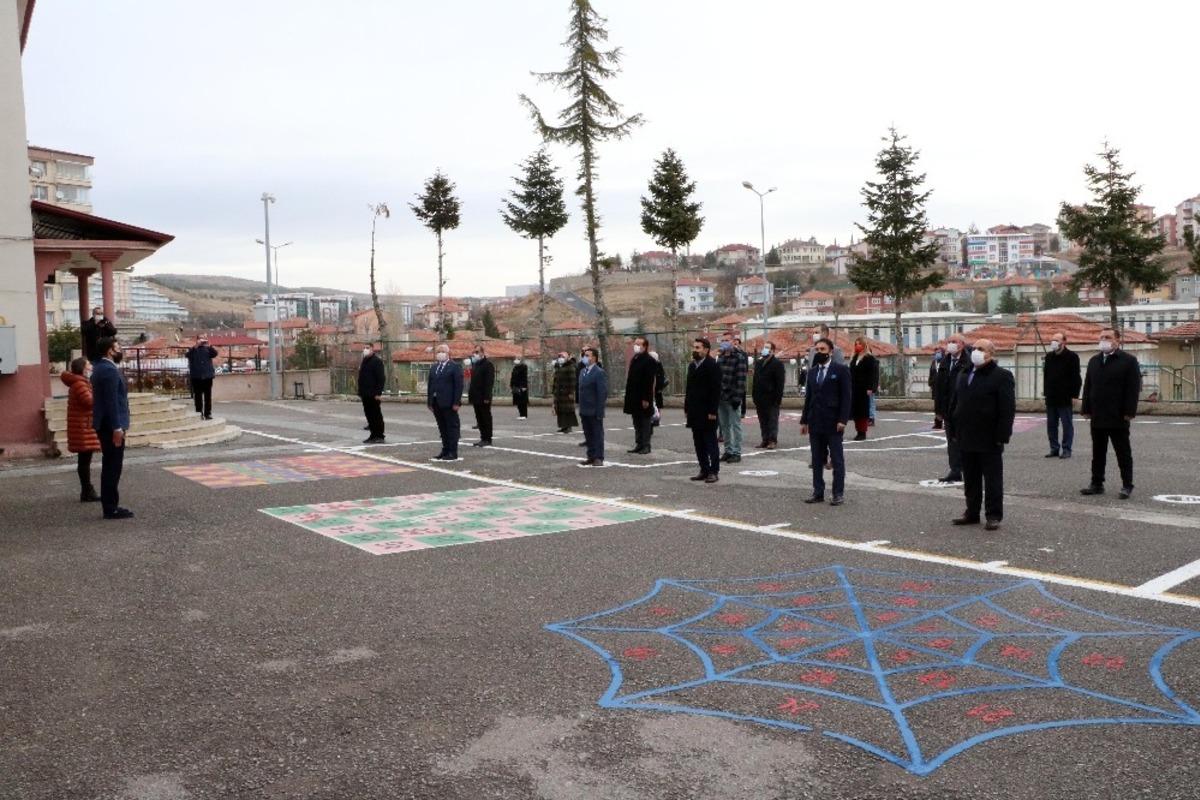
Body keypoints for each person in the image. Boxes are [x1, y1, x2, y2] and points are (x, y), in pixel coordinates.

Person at [946, 338, 1015, 531]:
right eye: (974, 348)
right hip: (965, 434)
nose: (976, 351)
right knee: (971, 477)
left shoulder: (1001, 376)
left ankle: (993, 515)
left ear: (991, 353)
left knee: (992, 479)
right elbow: (955, 402)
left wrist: (1003, 435)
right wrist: (953, 428)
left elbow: (1007, 408)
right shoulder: (964, 373)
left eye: (981, 348)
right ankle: (972, 512)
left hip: (989, 436)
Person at [1080, 328, 1141, 499]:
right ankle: (1096, 483)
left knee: (1123, 452)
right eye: (1101, 337)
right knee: (1098, 452)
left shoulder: (1128, 361)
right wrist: (1086, 408)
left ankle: (1127, 484)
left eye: (1107, 337)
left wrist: (1130, 411)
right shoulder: (1094, 360)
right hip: (1098, 414)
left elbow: (1133, 388)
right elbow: (1088, 386)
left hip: (1118, 415)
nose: (1104, 340)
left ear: (1117, 340)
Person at [800, 337, 851, 506]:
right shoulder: (812, 372)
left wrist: (843, 419)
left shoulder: (841, 370)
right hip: (815, 421)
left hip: (833, 422)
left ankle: (838, 493)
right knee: (816, 459)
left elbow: (846, 397)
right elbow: (808, 398)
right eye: (817, 349)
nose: (819, 352)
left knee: (837, 459)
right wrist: (804, 421)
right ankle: (818, 492)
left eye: (822, 349)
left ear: (831, 352)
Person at [90, 337, 133, 519]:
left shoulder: (100, 367)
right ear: (110, 351)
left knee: (111, 464)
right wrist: (117, 427)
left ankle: (110, 505)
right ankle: (111, 507)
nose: (120, 350)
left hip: (107, 424)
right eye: (117, 347)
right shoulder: (108, 370)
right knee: (113, 466)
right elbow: (111, 402)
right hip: (111, 425)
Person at [61, 357, 100, 503]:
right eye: (89, 364)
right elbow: (89, 402)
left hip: (82, 426)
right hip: (83, 427)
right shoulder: (80, 384)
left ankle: (87, 490)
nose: (91, 367)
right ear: (83, 368)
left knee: (84, 460)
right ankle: (87, 490)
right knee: (84, 461)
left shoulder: (80, 382)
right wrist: (100, 393)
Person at [934, 333, 971, 483]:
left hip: (963, 409)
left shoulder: (968, 362)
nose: (950, 344)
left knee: (965, 442)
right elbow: (938, 387)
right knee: (952, 443)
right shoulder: (945, 361)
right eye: (949, 341)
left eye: (954, 341)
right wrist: (938, 411)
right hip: (947, 410)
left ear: (962, 344)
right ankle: (955, 470)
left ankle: (969, 470)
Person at [685, 338, 721, 483]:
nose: (695, 350)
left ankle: (714, 471)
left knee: (710, 442)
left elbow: (715, 390)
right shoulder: (692, 366)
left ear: (706, 350)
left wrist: (712, 411)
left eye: (698, 348)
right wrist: (687, 407)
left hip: (707, 411)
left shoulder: (713, 365)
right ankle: (704, 469)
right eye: (694, 347)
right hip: (694, 411)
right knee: (698, 442)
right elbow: (689, 389)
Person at [1042, 331, 1081, 459]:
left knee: (1066, 424)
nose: (1054, 342)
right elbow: (1046, 376)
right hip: (1051, 397)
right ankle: (1054, 448)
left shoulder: (1072, 357)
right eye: (1052, 340)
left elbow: (1076, 377)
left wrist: (1075, 395)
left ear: (1064, 342)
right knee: (1051, 425)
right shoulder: (1049, 357)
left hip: (1065, 397)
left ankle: (1066, 449)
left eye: (1057, 340)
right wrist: (1046, 393)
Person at [427, 344, 464, 461]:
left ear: (448, 353)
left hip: (449, 402)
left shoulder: (454, 367)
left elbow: (458, 386)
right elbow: (430, 385)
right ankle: (445, 450)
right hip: (436, 402)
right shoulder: (434, 367)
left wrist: (456, 402)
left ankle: (453, 452)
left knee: (451, 427)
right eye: (438, 352)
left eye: (442, 351)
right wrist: (429, 402)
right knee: (442, 428)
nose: (440, 354)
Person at [717, 330, 747, 463]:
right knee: (724, 426)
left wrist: (737, 398)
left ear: (733, 341)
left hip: (732, 397)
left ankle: (736, 452)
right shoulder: (721, 357)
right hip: (721, 397)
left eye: (727, 340)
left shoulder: (739, 357)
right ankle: (728, 450)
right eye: (723, 340)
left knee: (735, 425)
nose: (725, 343)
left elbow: (741, 380)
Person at [623, 336, 657, 454]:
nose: (636, 346)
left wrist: (646, 398)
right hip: (634, 396)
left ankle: (646, 445)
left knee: (645, 422)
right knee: (636, 421)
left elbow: (649, 381)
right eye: (635, 344)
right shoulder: (635, 358)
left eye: (639, 344)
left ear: (645, 346)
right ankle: (639, 443)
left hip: (643, 397)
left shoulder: (649, 360)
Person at [577, 347, 609, 467]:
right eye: (584, 355)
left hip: (594, 409)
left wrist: (600, 410)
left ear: (594, 358)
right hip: (584, 409)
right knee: (588, 434)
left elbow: (602, 393)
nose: (585, 358)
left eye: (587, 355)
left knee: (597, 434)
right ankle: (590, 456)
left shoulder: (599, 372)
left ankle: (598, 457)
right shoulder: (582, 372)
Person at [752, 340, 785, 449]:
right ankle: (765, 439)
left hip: (771, 398)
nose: (765, 349)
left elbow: (780, 383)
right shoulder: (759, 363)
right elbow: (755, 380)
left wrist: (778, 399)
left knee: (772, 420)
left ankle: (772, 440)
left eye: (767, 348)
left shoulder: (777, 364)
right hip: (759, 397)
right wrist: (754, 395)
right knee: (762, 420)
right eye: (764, 347)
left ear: (772, 351)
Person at [848, 337, 880, 441]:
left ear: (864, 345)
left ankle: (862, 432)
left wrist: (871, 387)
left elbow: (873, 374)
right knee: (856, 410)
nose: (857, 346)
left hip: (864, 388)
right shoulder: (855, 357)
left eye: (859, 344)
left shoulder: (869, 358)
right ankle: (858, 431)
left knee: (863, 411)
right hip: (854, 388)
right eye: (856, 344)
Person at [358, 343, 386, 444]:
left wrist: (378, 393)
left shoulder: (376, 361)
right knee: (369, 415)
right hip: (365, 393)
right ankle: (373, 435)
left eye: (367, 348)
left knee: (376, 415)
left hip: (373, 394)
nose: (365, 349)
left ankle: (379, 435)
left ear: (372, 349)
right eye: (364, 348)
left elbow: (381, 378)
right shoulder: (365, 361)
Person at [468, 344, 495, 447]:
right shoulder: (476, 365)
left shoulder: (488, 365)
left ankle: (488, 438)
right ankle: (483, 438)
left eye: (477, 352)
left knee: (485, 418)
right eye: (474, 352)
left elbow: (489, 382)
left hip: (483, 397)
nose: (475, 354)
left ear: (482, 353)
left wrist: (487, 397)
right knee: (479, 418)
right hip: (476, 397)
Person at [186, 336, 219, 420]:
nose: (202, 340)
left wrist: (209, 345)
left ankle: (208, 414)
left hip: (207, 376)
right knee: (198, 396)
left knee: (208, 396)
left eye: (204, 338)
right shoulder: (193, 349)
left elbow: (215, 354)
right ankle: (199, 413)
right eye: (201, 339)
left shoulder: (208, 349)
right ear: (197, 340)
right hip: (196, 377)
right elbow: (187, 355)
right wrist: (195, 346)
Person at [552, 352, 579, 434]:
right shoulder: (558, 367)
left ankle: (568, 426)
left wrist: (571, 392)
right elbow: (555, 381)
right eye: (559, 356)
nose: (561, 358)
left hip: (567, 392)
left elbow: (572, 380)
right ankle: (563, 426)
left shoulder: (570, 367)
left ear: (567, 358)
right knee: (560, 410)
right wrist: (554, 391)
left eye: (563, 356)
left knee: (568, 409)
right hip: (559, 393)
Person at [649, 350, 667, 426]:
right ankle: (651, 419)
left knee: (657, 404)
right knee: (652, 403)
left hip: (657, 388)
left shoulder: (658, 365)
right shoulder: (649, 365)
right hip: (652, 388)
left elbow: (661, 376)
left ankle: (657, 419)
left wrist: (660, 388)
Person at [929, 348, 945, 429]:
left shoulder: (945, 362)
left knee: (944, 405)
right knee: (937, 406)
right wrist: (930, 383)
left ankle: (946, 423)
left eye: (939, 352)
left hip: (943, 388)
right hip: (935, 387)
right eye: (936, 353)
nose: (937, 354)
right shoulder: (933, 363)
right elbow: (931, 374)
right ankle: (938, 423)